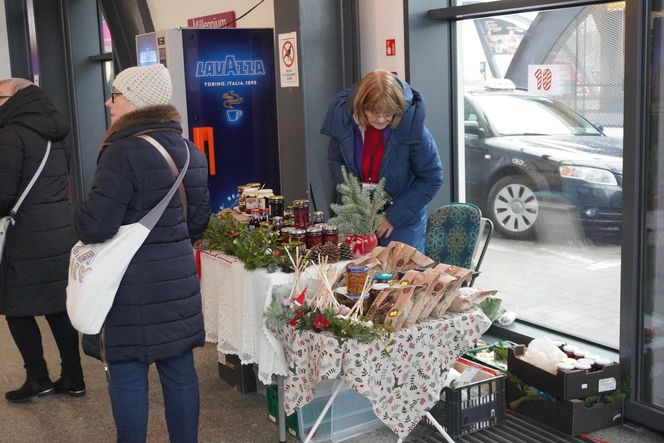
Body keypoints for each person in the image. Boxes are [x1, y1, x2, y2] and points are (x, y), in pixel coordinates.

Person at [73, 64, 210, 443]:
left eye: (114, 94)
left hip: (127, 286)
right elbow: (198, 222)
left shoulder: (121, 152)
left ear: (134, 100)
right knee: (180, 370)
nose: (108, 102)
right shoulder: (190, 151)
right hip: (178, 284)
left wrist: (78, 214)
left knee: (128, 372)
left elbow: (96, 226)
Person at [0, 78, 85, 402]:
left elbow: (4, 195)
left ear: (16, 99)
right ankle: (73, 376)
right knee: (56, 306)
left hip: (25, 236)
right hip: (59, 229)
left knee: (15, 307)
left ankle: (37, 377)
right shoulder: (55, 132)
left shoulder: (10, 134)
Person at [321, 69, 443, 251]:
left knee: (398, 276)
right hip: (356, 216)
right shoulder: (343, 122)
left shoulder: (413, 128)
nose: (380, 120)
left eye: (388, 114)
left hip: (402, 222)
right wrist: (352, 200)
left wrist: (393, 216)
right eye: (374, 113)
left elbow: (432, 177)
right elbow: (335, 160)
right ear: (361, 106)